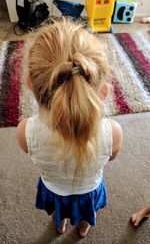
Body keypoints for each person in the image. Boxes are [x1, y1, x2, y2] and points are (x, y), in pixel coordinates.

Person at [17, 19, 123, 237]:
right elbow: (111, 158)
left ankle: (60, 224)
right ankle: (83, 229)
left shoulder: (24, 131)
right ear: (103, 92)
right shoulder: (113, 132)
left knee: (58, 212)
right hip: (89, 190)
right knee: (88, 213)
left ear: (30, 84)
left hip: (54, 190)